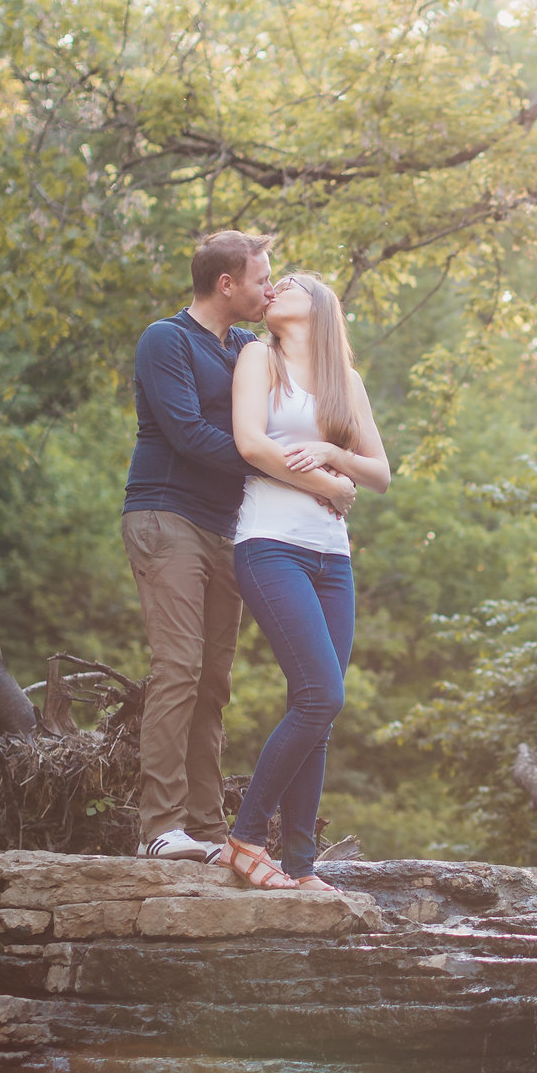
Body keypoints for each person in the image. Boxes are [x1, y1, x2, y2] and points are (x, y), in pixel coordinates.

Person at [121, 231, 358, 863]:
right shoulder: (165, 340)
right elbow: (194, 436)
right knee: (179, 666)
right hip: (166, 514)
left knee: (214, 681)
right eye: (261, 278)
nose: (269, 288)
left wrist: (328, 462)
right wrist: (311, 479)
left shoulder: (250, 348)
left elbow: (285, 418)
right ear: (227, 284)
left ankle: (204, 827)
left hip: (230, 526)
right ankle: (160, 827)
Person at [221, 271, 390, 889]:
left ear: (318, 306)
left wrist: (335, 457)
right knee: (323, 695)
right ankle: (243, 838)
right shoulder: (257, 358)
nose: (273, 288)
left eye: (287, 282)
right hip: (269, 545)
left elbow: (379, 474)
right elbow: (251, 445)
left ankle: (298, 868)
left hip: (332, 559)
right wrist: (328, 485)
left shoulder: (346, 382)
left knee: (315, 711)